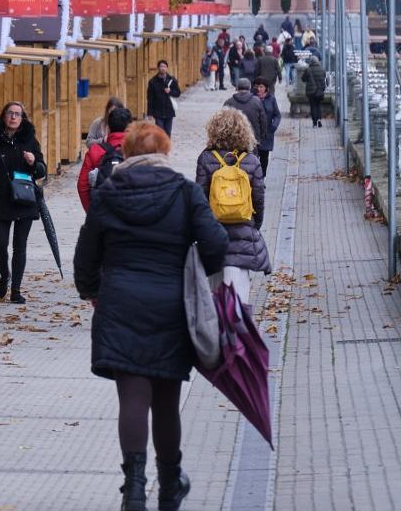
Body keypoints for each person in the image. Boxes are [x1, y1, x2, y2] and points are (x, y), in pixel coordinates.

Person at [73, 123, 229, 511]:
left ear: (125, 153)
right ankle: (171, 483)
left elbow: (86, 254)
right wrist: (201, 275)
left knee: (131, 396)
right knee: (165, 400)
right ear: (165, 151)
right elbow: (216, 244)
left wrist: (92, 290)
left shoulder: (108, 194)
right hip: (170, 306)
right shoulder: (184, 193)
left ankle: (135, 489)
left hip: (121, 304)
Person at [194, 109, 270, 308]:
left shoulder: (205, 159)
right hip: (242, 232)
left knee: (214, 298)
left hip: (213, 235)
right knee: (238, 301)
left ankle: (215, 336)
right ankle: (238, 335)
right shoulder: (252, 160)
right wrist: (254, 225)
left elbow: (199, 199)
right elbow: (259, 198)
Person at [0, 101, 46, 304]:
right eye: (10, 113)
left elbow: (42, 170)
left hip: (24, 197)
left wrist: (34, 162)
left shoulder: (29, 139)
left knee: (20, 245)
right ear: (4, 116)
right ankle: (4, 275)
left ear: (23, 118)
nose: (14, 117)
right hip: (0, 198)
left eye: (18, 114)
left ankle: (16, 289)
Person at [78, 106, 133, 211]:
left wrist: (92, 212)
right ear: (129, 128)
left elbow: (82, 186)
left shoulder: (95, 151)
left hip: (103, 212)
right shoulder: (137, 150)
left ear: (108, 128)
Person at [224, 77, 268, 147]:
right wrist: (261, 137)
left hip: (233, 140)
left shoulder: (228, 102)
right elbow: (263, 121)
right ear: (250, 88)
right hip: (252, 140)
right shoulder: (257, 101)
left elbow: (223, 123)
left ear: (236, 88)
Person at [145, 60, 181, 136]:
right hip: (158, 111)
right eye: (161, 66)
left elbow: (178, 93)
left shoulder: (172, 80)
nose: (163, 68)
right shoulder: (153, 82)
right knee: (160, 132)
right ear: (158, 68)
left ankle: (166, 147)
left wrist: (170, 91)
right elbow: (150, 98)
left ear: (167, 68)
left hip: (169, 110)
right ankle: (160, 146)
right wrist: (149, 113)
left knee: (168, 132)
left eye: (164, 66)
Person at [254, 80, 282, 176]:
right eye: (257, 86)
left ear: (266, 88)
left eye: (261, 87)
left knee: (264, 157)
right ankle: (255, 178)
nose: (259, 89)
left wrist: (273, 126)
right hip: (254, 133)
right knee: (254, 157)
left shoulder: (271, 99)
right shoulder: (253, 99)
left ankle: (262, 177)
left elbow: (277, 115)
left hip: (267, 133)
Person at [303, 55, 327, 127]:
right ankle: (319, 119)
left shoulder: (308, 69)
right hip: (320, 91)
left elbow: (303, 79)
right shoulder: (322, 69)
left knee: (313, 106)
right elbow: (324, 78)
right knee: (318, 105)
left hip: (311, 91)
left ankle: (314, 122)